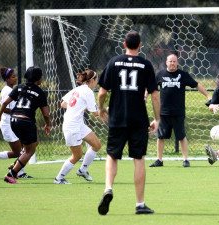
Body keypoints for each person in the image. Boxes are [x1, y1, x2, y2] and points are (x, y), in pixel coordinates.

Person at [97, 31, 160, 215]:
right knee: (138, 159)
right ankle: (140, 204)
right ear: (140, 45)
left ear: (124, 43)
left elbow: (102, 92)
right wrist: (157, 119)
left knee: (112, 155)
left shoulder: (113, 62)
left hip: (117, 118)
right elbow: (155, 95)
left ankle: (108, 187)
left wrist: (101, 109)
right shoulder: (146, 65)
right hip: (138, 119)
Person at [149, 53, 210, 168]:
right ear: (166, 62)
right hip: (163, 113)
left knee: (181, 137)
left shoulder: (183, 75)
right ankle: (159, 160)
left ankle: (186, 160)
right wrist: (144, 96)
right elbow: (151, 89)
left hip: (178, 112)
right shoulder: (160, 75)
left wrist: (208, 96)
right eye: (170, 61)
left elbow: (197, 85)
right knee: (160, 137)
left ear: (177, 63)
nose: (172, 63)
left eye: (174, 61)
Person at [0, 66, 51, 184]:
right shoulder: (40, 92)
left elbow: (4, 103)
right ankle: (12, 174)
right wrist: (48, 124)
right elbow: (46, 113)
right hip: (26, 121)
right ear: (38, 79)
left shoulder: (19, 87)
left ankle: (17, 165)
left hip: (13, 121)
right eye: (41, 77)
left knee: (31, 145)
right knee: (30, 151)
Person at [54, 69, 102, 184]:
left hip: (78, 125)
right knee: (77, 155)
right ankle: (59, 178)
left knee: (96, 145)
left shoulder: (78, 89)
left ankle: (83, 170)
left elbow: (63, 104)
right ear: (92, 80)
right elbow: (95, 114)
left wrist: (79, 107)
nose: (97, 82)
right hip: (72, 126)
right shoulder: (88, 92)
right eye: (97, 79)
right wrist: (107, 111)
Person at [0, 67, 33, 179]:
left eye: (15, 76)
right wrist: (19, 112)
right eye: (13, 77)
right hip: (8, 125)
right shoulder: (7, 91)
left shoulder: (9, 89)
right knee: (19, 152)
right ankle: (17, 170)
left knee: (23, 149)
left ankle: (18, 170)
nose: (15, 78)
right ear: (7, 79)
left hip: (13, 123)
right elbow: (4, 108)